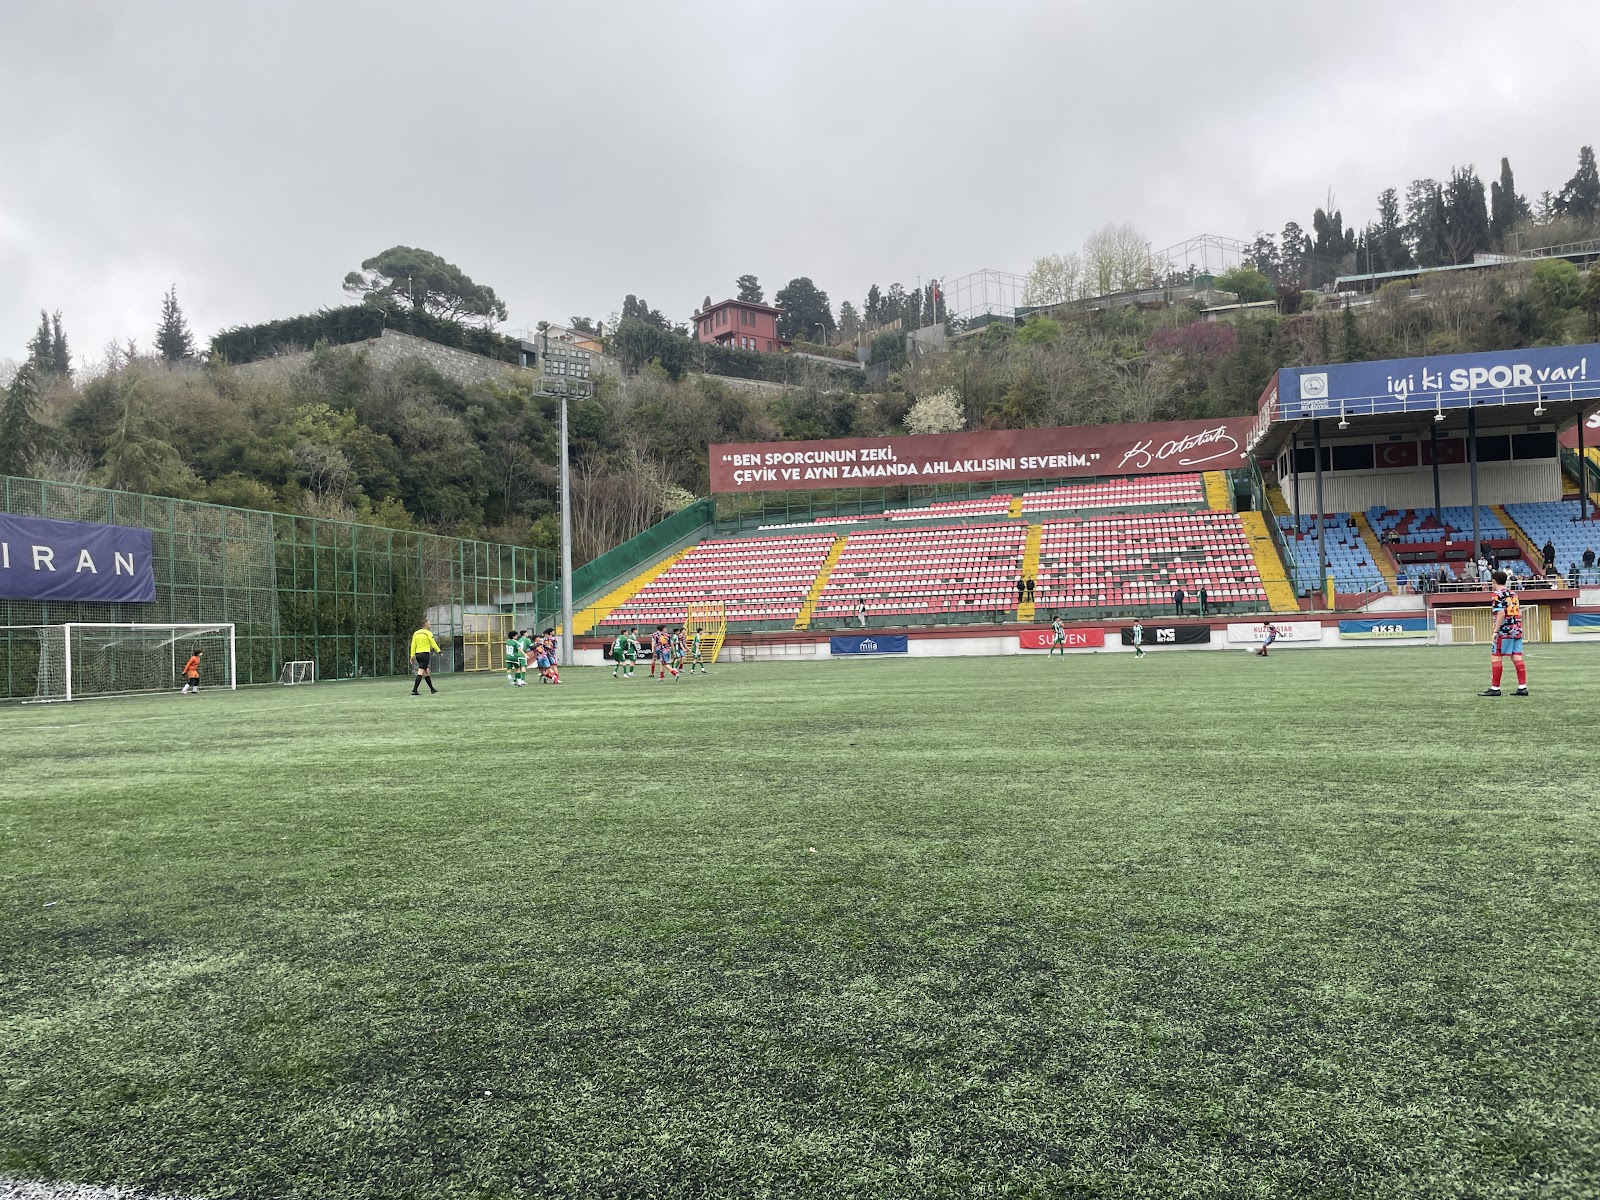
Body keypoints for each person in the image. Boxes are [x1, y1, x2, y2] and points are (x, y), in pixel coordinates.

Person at [1479, 569, 1529, 698]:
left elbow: (1501, 613)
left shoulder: (1497, 594)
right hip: (1517, 628)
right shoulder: (1514, 594)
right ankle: (1522, 687)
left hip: (1504, 630)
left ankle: (1495, 688)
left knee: (1496, 657)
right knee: (1516, 656)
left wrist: (1495, 631)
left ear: (1493, 581)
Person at [410, 619, 441, 696]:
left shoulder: (416, 633)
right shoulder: (428, 633)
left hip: (418, 654)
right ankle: (414, 690)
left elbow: (413, 645)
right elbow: (433, 643)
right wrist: (439, 651)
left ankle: (432, 689)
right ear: (425, 625)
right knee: (421, 671)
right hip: (425, 654)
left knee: (426, 671)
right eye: (429, 624)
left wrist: (412, 655)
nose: (430, 625)